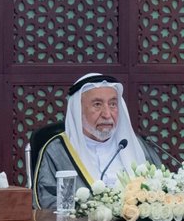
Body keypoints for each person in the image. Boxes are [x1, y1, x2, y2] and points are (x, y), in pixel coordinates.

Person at [31, 73, 162, 209]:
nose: (107, 114)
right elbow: (46, 203)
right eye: (97, 105)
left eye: (112, 104)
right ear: (78, 110)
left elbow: (163, 190)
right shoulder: (57, 151)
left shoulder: (136, 146)